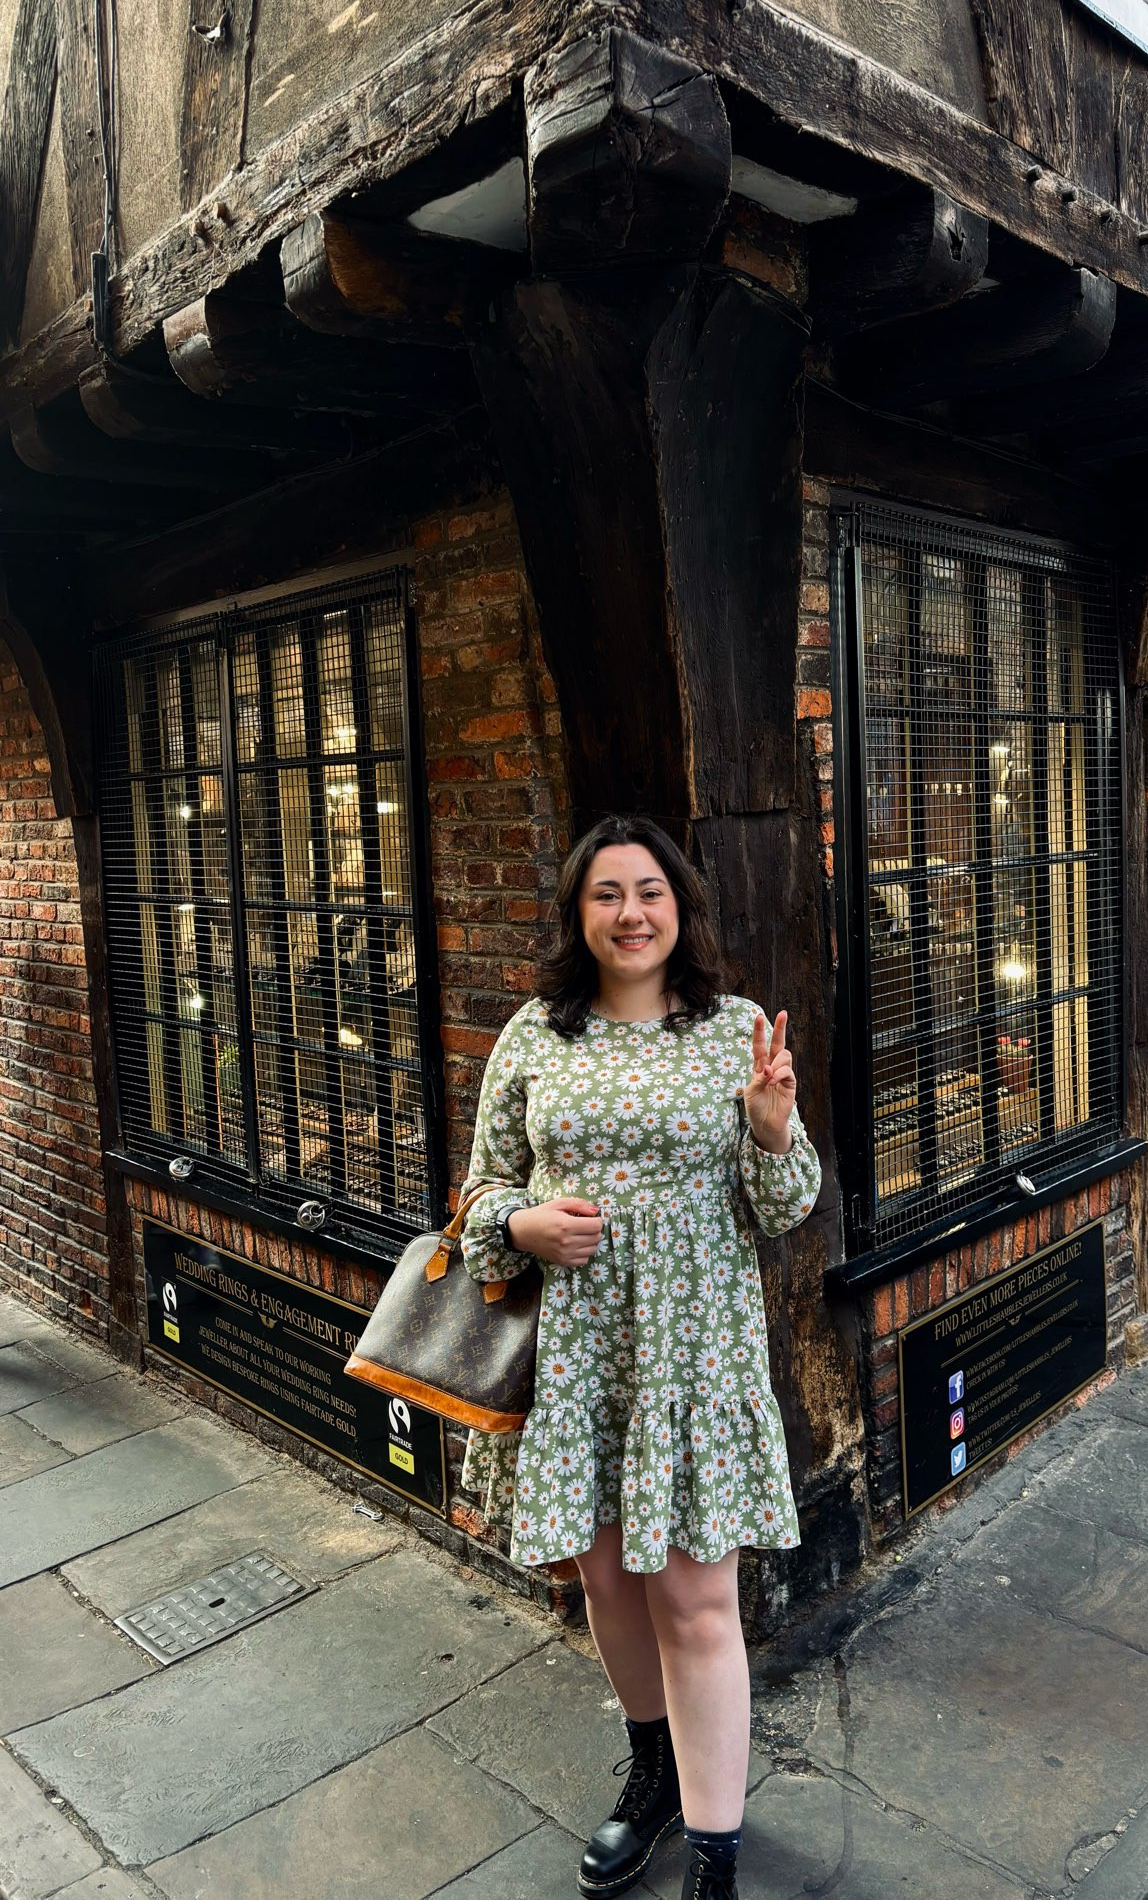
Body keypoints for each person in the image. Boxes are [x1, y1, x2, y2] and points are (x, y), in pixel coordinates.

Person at [458, 814, 822, 1900]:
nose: (631, 912)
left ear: (680, 907)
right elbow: (477, 1188)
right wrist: (520, 1224)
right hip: (581, 1353)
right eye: (608, 893)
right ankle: (654, 1771)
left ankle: (715, 1854)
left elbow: (786, 1206)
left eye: (650, 891)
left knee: (699, 1601)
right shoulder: (535, 1034)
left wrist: (770, 1129)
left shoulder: (734, 1029)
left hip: (694, 1349)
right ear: (580, 913)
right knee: (609, 1582)